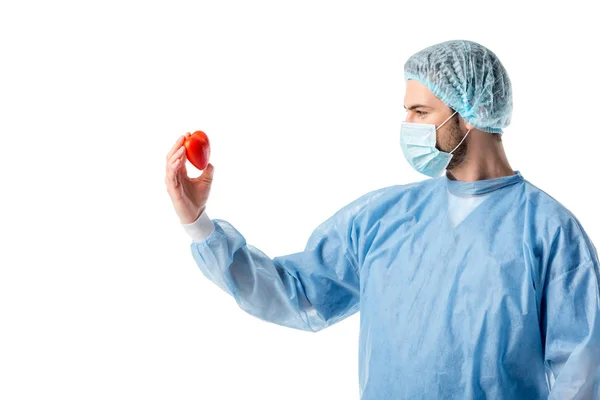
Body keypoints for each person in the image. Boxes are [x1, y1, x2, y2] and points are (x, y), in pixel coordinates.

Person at [165, 40, 600, 399]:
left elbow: (582, 375)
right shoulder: (383, 219)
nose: (407, 124)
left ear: (469, 110)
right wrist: (198, 223)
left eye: (420, 112)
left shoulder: (550, 233)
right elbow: (292, 292)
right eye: (407, 111)